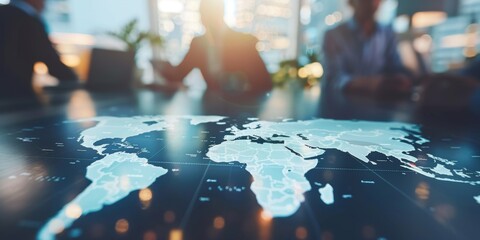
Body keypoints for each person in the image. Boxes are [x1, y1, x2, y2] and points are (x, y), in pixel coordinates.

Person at [153, 0, 272, 95]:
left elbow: (265, 82)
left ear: (221, 13)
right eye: (202, 14)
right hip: (210, 112)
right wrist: (160, 67)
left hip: (240, 113)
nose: (204, 18)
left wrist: (239, 81)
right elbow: (178, 75)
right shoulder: (198, 45)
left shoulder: (243, 42)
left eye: (208, 13)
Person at [322, 0, 411, 96]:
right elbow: (334, 78)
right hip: (344, 104)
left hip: (382, 104)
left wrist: (405, 79)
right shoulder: (334, 35)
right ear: (350, 2)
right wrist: (370, 84)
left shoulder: (387, 33)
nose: (371, 3)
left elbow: (396, 68)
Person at [0, 0, 77, 98]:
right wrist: (74, 80)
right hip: (14, 96)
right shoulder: (28, 20)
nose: (45, 3)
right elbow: (50, 59)